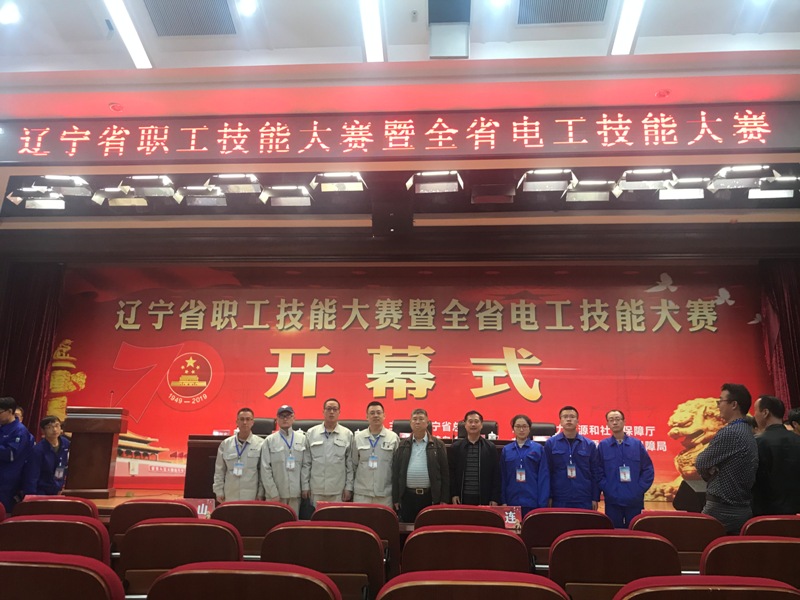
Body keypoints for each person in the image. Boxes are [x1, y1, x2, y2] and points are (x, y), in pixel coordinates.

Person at [695, 383, 759, 534]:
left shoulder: (731, 432)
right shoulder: (747, 430)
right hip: (740, 508)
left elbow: (701, 462)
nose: (718, 406)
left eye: (721, 401)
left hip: (722, 510)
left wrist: (712, 470)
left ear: (734, 404)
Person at [598, 409, 655, 528]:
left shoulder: (636, 444)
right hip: (612, 499)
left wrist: (638, 489)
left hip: (634, 499)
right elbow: (598, 471)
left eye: (617, 419)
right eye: (611, 420)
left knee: (634, 530)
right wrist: (607, 488)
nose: (615, 422)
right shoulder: (603, 445)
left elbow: (648, 469)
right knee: (614, 531)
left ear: (624, 422)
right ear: (607, 424)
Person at [392, 408, 449, 522]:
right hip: (407, 496)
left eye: (421, 419)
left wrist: (444, 499)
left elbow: (445, 473)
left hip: (430, 496)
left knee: (428, 528)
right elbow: (396, 473)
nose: (417, 422)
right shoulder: (402, 445)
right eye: (414, 419)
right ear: (410, 423)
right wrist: (396, 498)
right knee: (407, 528)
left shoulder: (438, 445)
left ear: (427, 423)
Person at [544, 405, 601, 510]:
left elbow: (595, 472)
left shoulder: (589, 445)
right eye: (565, 417)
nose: (569, 419)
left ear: (577, 421)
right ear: (560, 421)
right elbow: (547, 472)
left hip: (584, 497)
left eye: (572, 416)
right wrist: (549, 496)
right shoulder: (551, 444)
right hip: (559, 497)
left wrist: (595, 497)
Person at [752, 395, 800, 515]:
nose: (754, 416)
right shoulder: (797, 439)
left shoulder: (757, 442)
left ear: (765, 413)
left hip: (768, 515)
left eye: (755, 411)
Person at [302, 398, 353, 505]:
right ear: (323, 411)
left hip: (338, 490)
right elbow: (306, 463)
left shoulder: (347, 434)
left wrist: (349, 487)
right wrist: (305, 485)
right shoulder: (311, 433)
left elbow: (350, 465)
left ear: (339, 412)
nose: (331, 412)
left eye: (335, 409)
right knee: (317, 515)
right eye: (328, 409)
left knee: (335, 515)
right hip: (316, 488)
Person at [351, 401, 399, 508]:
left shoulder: (393, 438)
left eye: (378, 412)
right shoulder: (358, 438)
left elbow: (396, 467)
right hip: (362, 494)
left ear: (384, 415)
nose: (376, 415)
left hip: (385, 494)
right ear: (367, 417)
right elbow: (353, 465)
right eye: (372, 413)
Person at [260, 404, 307, 514]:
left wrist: (304, 487)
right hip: (276, 495)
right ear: (277, 419)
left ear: (293, 418)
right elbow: (265, 469)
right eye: (282, 416)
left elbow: (306, 465)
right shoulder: (269, 440)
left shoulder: (303, 439)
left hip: (295, 495)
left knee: (293, 523)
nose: (285, 419)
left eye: (288, 416)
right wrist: (273, 493)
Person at [500, 414, 549, 516]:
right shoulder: (507, 450)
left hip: (533, 501)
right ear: (513, 429)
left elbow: (543, 477)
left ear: (529, 428)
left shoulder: (538, 449)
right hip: (511, 501)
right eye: (518, 426)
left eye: (524, 426)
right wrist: (503, 500)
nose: (521, 430)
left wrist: (542, 503)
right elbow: (503, 477)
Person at [213, 407, 265, 503]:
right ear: (237, 422)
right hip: (230, 495)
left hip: (251, 496)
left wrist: (260, 493)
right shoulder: (226, 444)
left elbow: (263, 472)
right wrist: (218, 491)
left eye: (248, 419)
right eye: (241, 419)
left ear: (252, 422)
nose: (245, 422)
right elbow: (219, 471)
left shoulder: (261, 444)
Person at [450, 410, 501, 506]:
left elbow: (496, 474)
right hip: (462, 497)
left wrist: (494, 498)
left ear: (481, 425)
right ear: (465, 425)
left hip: (484, 498)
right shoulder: (456, 447)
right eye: (470, 421)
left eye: (476, 421)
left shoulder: (490, 447)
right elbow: (451, 473)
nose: (473, 424)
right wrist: (454, 494)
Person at [0, 397, 35, 512]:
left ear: (10, 411)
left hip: (8, 479)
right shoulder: (2, 427)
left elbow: (11, 454)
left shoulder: (19, 431)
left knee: (4, 510)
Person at [26, 415, 71, 496]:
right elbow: (32, 475)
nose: (54, 430)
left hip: (59, 487)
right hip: (42, 490)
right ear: (43, 431)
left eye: (57, 426)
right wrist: (31, 495)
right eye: (49, 427)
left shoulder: (65, 443)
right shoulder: (38, 450)